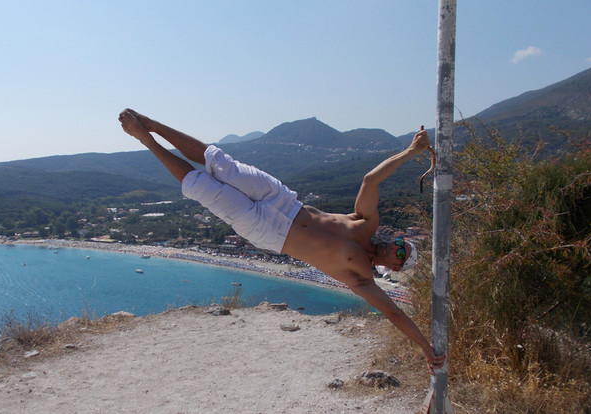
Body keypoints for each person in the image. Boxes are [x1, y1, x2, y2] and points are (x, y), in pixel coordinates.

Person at [118, 108, 446, 374]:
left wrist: (426, 349)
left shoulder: (361, 278)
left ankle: (145, 139)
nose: (395, 245)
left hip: (269, 232)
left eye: (401, 252)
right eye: (401, 242)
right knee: (220, 163)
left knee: (203, 186)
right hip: (283, 200)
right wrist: (410, 151)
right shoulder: (365, 222)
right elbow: (370, 178)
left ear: (396, 266)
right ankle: (153, 124)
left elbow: (396, 315)